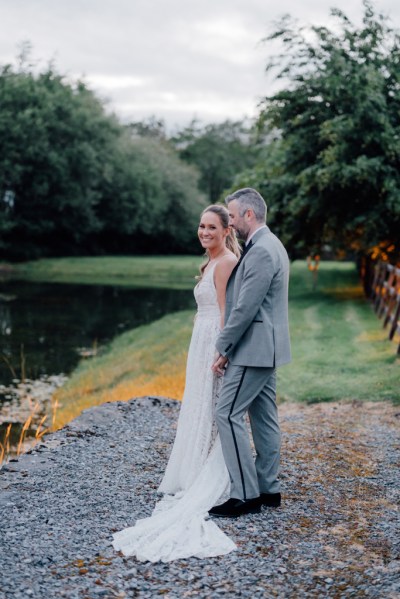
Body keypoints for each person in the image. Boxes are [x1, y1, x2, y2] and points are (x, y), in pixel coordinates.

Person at [112, 204, 241, 562]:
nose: (205, 233)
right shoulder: (211, 261)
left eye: (212, 227)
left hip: (212, 343)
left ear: (226, 230)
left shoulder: (227, 261)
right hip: (199, 340)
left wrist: (223, 351)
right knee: (198, 404)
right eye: (201, 226)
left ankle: (212, 472)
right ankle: (194, 467)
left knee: (212, 406)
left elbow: (227, 311)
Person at [209, 187, 291, 518]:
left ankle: (245, 494)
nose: (228, 222)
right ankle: (268, 489)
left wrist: (223, 346)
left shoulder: (260, 251)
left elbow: (245, 308)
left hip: (253, 349)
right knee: (264, 418)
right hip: (268, 348)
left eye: (231, 215)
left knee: (226, 413)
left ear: (248, 215)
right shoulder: (271, 245)